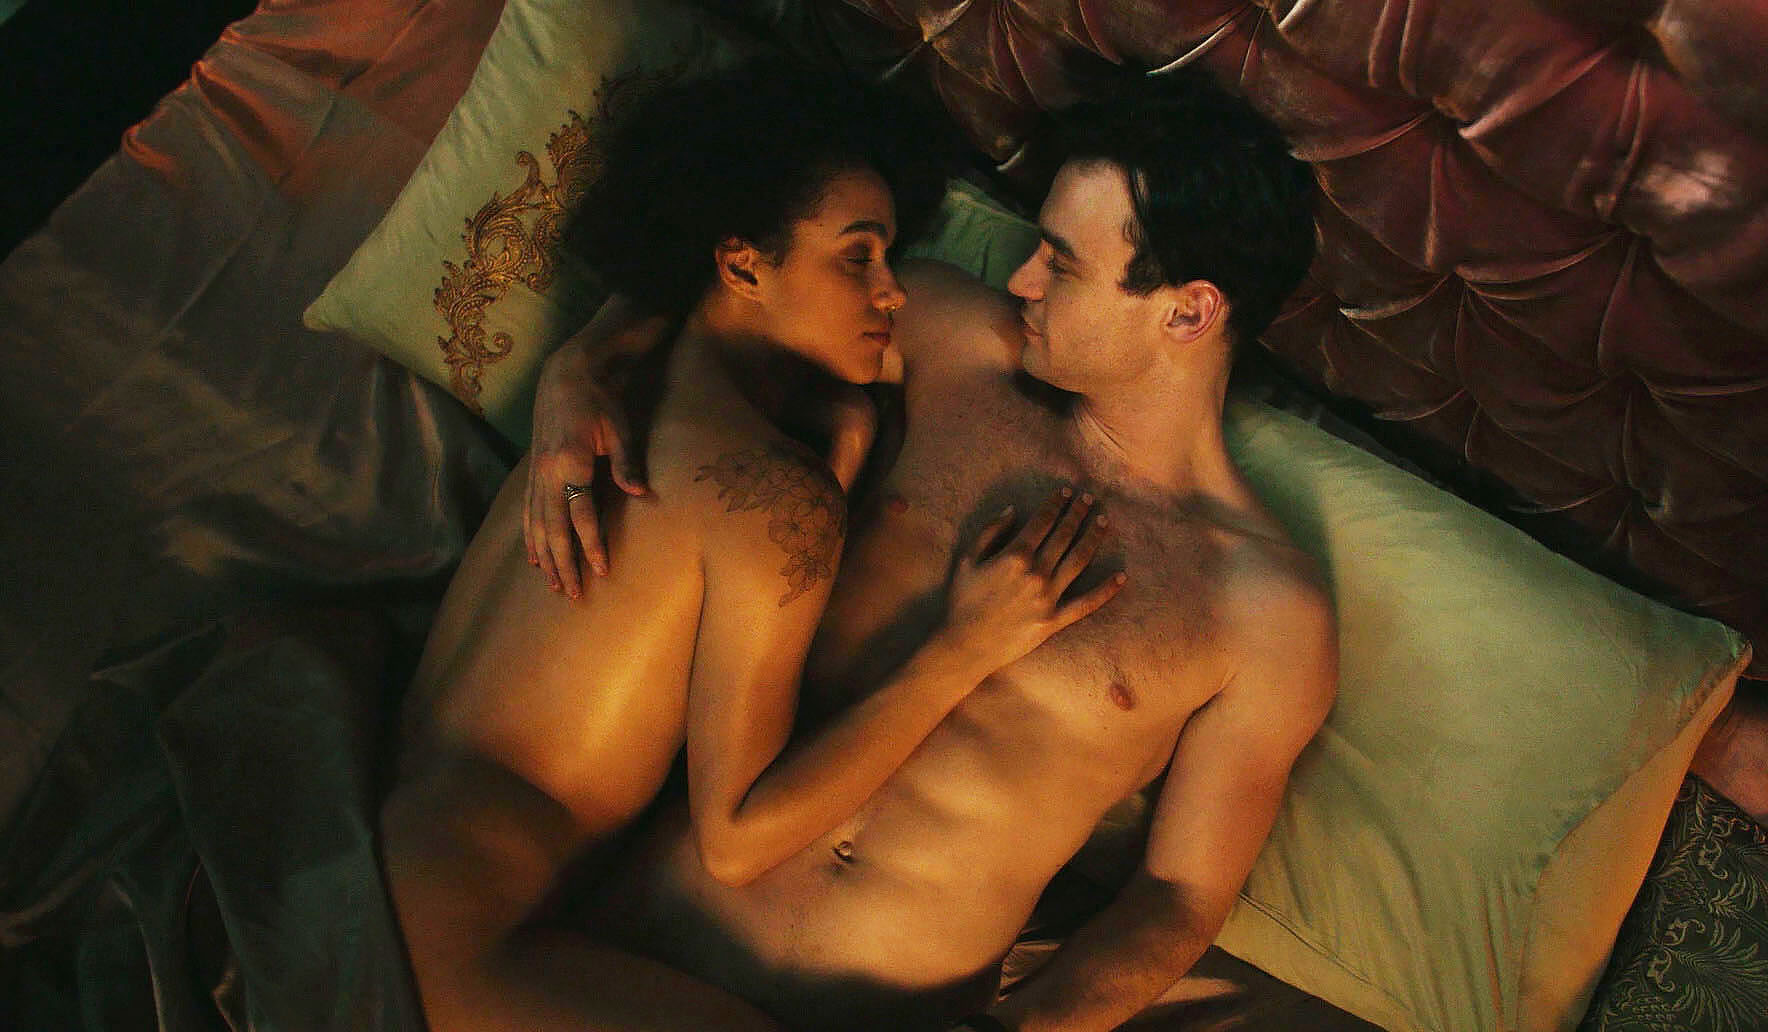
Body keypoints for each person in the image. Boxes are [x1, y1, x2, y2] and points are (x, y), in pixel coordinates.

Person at [524, 66, 1338, 1031]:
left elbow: (1178, 900)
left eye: (1061, 264)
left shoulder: (1264, 609)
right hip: (644, 951)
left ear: (1189, 312)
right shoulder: (959, 344)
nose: (1021, 280)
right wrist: (579, 366)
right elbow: (744, 286)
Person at [378, 62, 1127, 1032]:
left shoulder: (610, 387)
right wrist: (963, 650)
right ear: (739, 265)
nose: (894, 294)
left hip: (394, 843)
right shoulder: (770, 497)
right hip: (465, 945)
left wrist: (842, 433)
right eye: (858, 259)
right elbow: (735, 841)